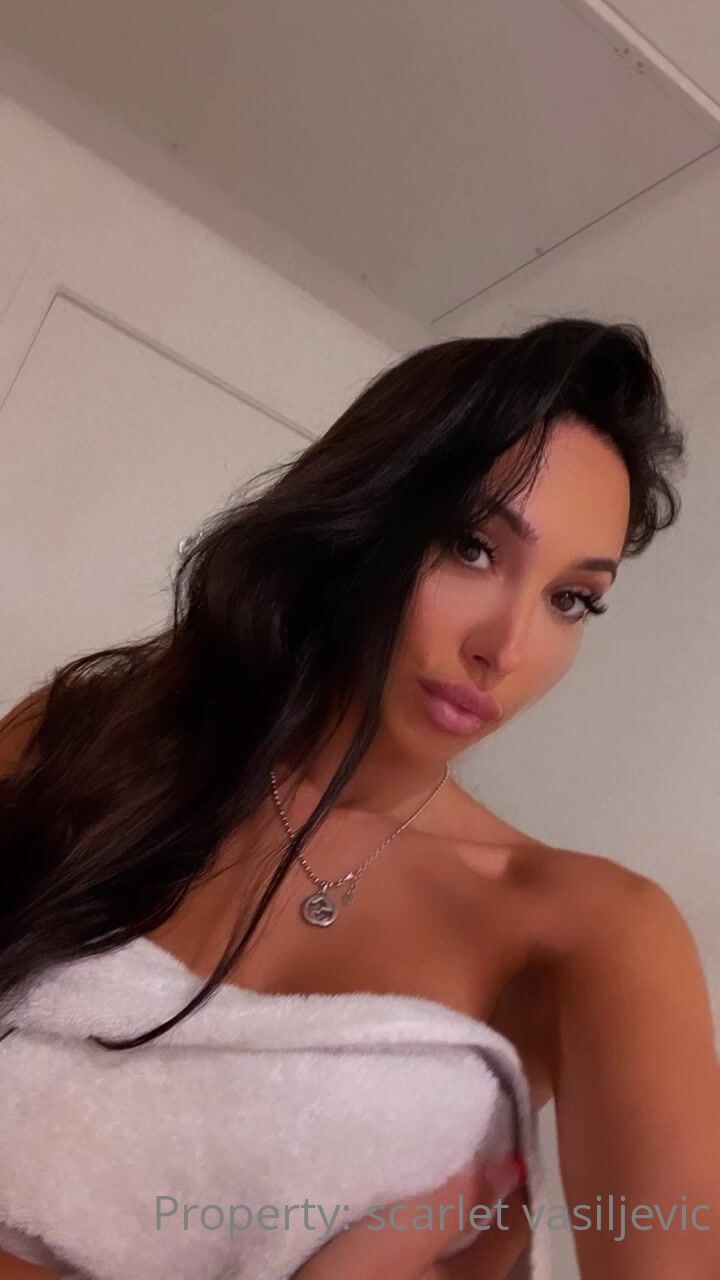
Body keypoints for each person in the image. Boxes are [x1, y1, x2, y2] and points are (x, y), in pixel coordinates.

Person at [0, 319, 718, 1280]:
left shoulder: (589, 934)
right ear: (365, 515)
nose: (506, 648)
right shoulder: (80, 738)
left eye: (571, 599)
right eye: (472, 546)